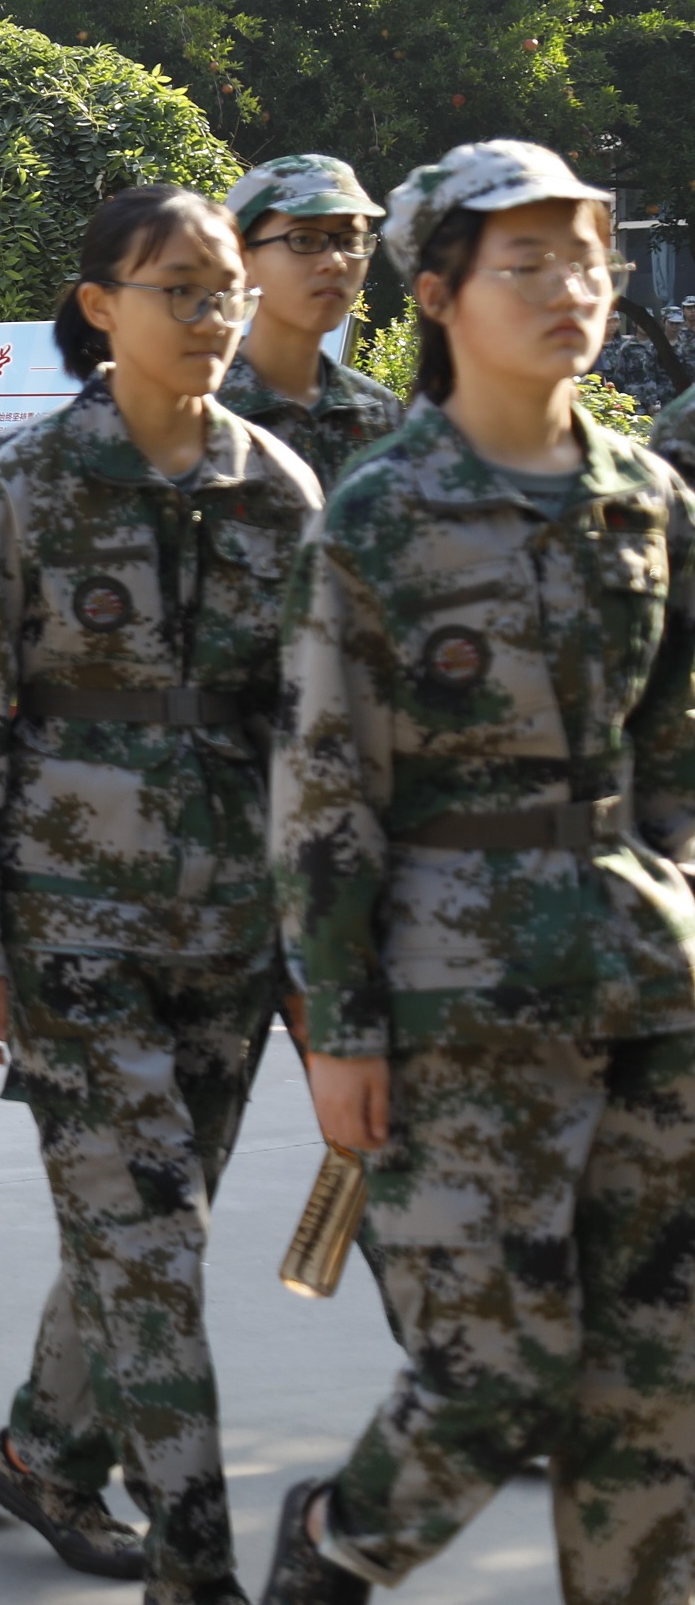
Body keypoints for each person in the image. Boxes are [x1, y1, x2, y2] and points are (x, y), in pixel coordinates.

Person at [260, 142, 695, 1605]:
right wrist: (344, 1025)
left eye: (588, 259)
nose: (571, 289)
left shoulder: (649, 499)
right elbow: (327, 790)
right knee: (494, 1373)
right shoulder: (378, 515)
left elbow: (671, 751)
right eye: (528, 264)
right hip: (453, 992)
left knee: (658, 1379)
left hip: (642, 974)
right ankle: (337, 1544)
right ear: (440, 295)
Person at [0, 190, 319, 1598]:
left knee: (150, 1224)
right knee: (149, 1246)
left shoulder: (277, 489)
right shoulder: (22, 490)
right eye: (180, 291)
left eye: (226, 293)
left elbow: (309, 742)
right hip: (69, 932)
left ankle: (43, 1450)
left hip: (230, 935)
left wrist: (318, 954)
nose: (213, 320)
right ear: (101, 304)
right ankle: (199, 1569)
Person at [217, 153, 401, 487]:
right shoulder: (196, 408)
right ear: (242, 259)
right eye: (303, 239)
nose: (336, 263)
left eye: (350, 241)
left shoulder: (380, 414)